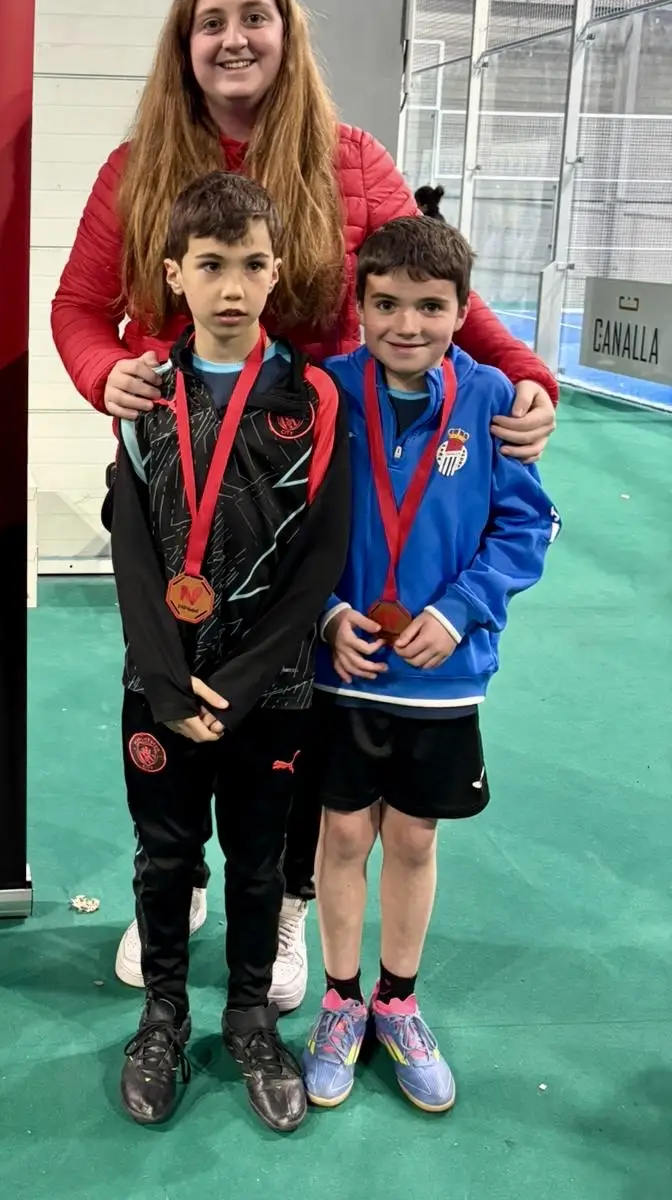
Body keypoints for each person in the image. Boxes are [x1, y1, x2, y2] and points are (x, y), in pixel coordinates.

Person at [51, 0, 559, 1009]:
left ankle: (282, 899)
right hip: (179, 467)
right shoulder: (136, 167)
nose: (234, 38)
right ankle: (177, 879)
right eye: (211, 22)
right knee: (170, 664)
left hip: (303, 470)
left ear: (287, 34)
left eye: (255, 17)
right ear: (184, 45)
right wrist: (107, 374)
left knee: (289, 696)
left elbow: (431, 278)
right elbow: (78, 308)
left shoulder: (350, 158)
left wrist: (522, 373)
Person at [301, 217, 559, 1115]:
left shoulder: (491, 400)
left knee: (413, 839)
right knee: (342, 837)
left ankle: (398, 1001)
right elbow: (290, 526)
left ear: (462, 310)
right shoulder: (325, 392)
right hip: (346, 669)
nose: (406, 324)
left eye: (429, 306)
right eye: (385, 304)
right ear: (359, 306)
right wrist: (327, 613)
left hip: (444, 677)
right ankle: (340, 1000)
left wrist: (457, 612)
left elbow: (526, 526)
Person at [110, 171, 349, 1131]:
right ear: (175, 274)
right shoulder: (144, 393)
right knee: (166, 856)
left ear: (277, 271)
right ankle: (163, 1016)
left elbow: (321, 554)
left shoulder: (312, 397)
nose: (233, 287)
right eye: (210, 266)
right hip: (159, 685)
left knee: (258, 860)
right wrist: (168, 685)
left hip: (273, 692)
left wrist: (243, 684)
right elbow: (131, 548)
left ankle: (250, 1016)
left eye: (252, 265)